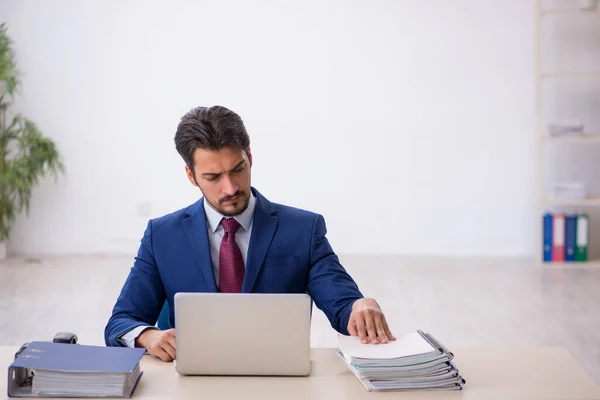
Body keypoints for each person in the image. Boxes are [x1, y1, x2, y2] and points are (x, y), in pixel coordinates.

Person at [104, 106, 395, 361]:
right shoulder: (162, 236)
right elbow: (121, 322)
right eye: (213, 177)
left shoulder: (303, 230)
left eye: (237, 169)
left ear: (250, 158)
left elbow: (343, 305)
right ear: (191, 176)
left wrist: (360, 306)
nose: (230, 188)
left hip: (278, 378)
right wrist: (148, 336)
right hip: (192, 380)